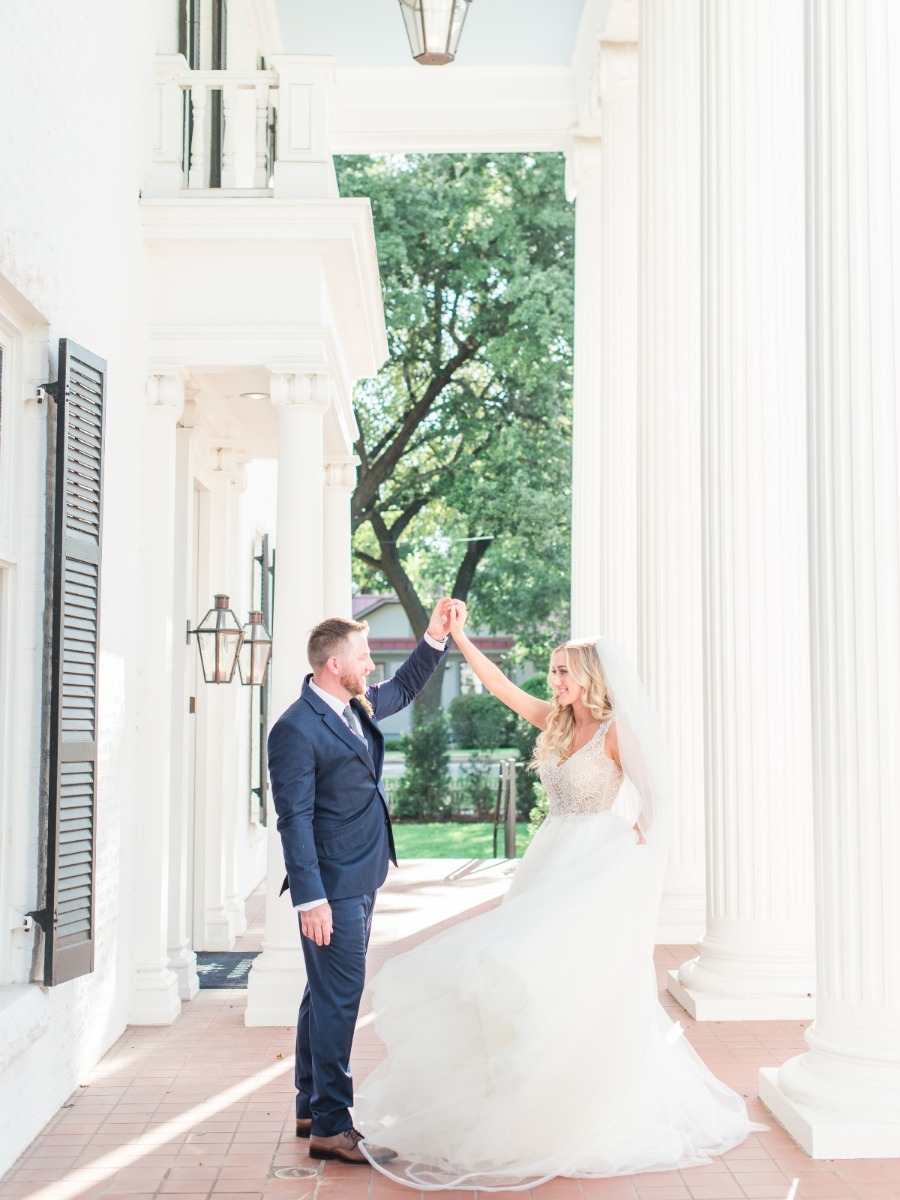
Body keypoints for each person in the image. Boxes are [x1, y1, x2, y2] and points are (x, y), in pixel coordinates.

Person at [354, 601, 764, 1190]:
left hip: (597, 865)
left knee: (561, 976)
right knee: (520, 971)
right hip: (551, 858)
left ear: (591, 678)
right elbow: (497, 686)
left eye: (564, 673)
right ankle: (525, 1094)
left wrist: (642, 837)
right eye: (553, 673)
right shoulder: (556, 721)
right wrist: (460, 638)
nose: (555, 682)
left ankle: (578, 1102)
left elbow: (662, 796)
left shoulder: (618, 733)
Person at [267, 599, 453, 1165]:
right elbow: (293, 818)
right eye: (363, 656)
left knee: (319, 996)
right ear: (332, 666)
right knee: (340, 1000)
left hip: (362, 874)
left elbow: (402, 687)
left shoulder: (354, 704)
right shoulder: (295, 730)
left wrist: (434, 637)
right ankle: (331, 1125)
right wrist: (312, 898)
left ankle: (309, 1104)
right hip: (332, 889)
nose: (371, 664)